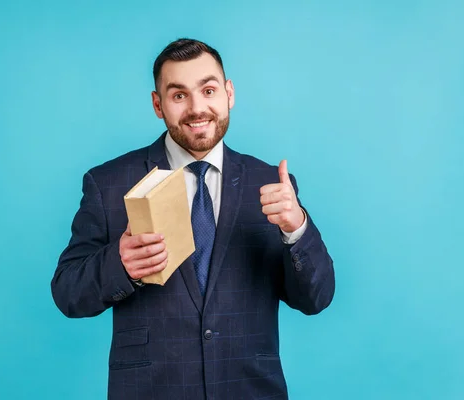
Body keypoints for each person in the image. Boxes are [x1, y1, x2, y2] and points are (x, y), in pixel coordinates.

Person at [51, 38, 335, 400]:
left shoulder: (272, 185)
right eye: (179, 95)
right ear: (158, 104)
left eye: (209, 90)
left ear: (229, 93)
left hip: (249, 389)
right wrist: (119, 265)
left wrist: (297, 230)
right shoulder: (108, 184)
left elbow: (317, 298)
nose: (198, 108)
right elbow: (66, 292)